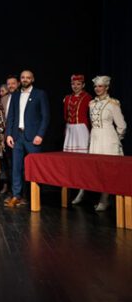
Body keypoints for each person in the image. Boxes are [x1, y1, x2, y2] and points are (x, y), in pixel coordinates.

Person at [5, 70, 50, 208]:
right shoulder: (15, 95)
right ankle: (16, 196)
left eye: (28, 77)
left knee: (34, 168)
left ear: (32, 79)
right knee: (16, 168)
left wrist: (40, 135)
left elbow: (45, 116)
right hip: (17, 136)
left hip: (33, 137)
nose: (25, 79)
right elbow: (11, 116)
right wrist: (9, 134)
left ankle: (33, 196)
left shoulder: (39, 94)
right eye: (23, 77)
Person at [88, 76, 127, 211]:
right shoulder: (91, 104)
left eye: (100, 86)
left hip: (108, 138)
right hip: (95, 137)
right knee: (98, 169)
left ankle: (105, 200)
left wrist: (116, 139)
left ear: (106, 87)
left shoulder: (113, 103)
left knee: (109, 170)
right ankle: (104, 198)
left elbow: (121, 125)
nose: (97, 89)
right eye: (95, 86)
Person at [63, 74, 93, 205]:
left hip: (81, 130)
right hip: (70, 130)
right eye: (73, 84)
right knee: (70, 162)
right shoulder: (67, 98)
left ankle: (82, 191)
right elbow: (65, 116)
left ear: (83, 85)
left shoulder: (88, 98)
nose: (75, 86)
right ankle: (69, 190)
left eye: (78, 84)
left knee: (82, 162)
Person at [0, 75, 20, 197]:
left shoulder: (21, 97)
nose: (11, 86)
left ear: (18, 84)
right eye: (8, 84)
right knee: (8, 163)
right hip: (5, 136)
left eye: (13, 83)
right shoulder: (4, 99)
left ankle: (20, 192)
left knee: (17, 164)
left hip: (18, 136)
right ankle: (11, 189)